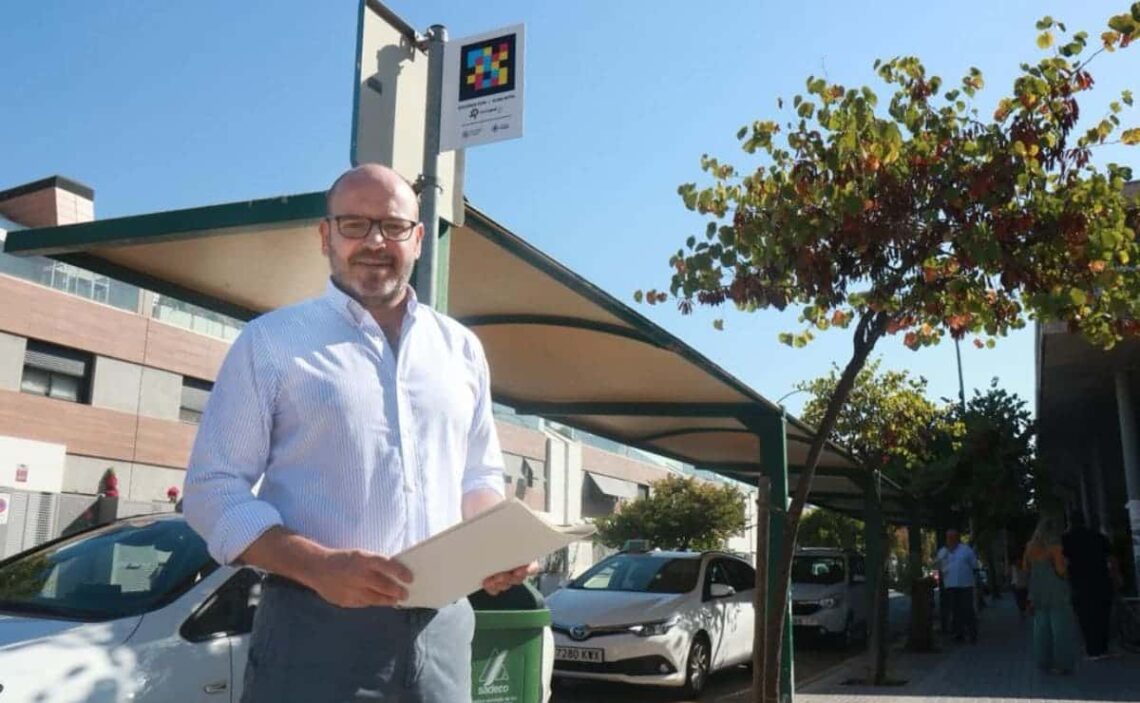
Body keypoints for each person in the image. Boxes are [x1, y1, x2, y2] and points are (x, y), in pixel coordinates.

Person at [183, 164, 535, 703]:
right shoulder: (270, 343)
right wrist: (318, 566)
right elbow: (212, 491)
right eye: (354, 225)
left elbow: (478, 476)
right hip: (314, 635)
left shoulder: (461, 349)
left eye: (393, 226)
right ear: (326, 236)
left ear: (418, 239)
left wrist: (501, 542)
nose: (375, 241)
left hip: (444, 633)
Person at [1022, 516, 1078, 674]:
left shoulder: (1029, 547)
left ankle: (1043, 660)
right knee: (1060, 628)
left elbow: (1025, 568)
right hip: (1056, 590)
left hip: (1037, 590)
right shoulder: (1055, 547)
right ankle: (1062, 664)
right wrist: (1067, 567)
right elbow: (1061, 570)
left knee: (1041, 627)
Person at [1062, 511, 1115, 660]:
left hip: (1080, 584)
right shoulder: (1098, 537)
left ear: (1070, 522)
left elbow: (1064, 563)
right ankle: (1103, 648)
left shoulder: (1066, 540)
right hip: (1102, 581)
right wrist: (1116, 577)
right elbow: (1111, 558)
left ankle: (1092, 649)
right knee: (1102, 616)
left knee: (1086, 617)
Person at [934, 529, 979, 643]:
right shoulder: (942, 552)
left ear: (957, 538)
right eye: (949, 537)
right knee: (955, 610)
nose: (951, 539)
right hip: (950, 585)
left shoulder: (966, 550)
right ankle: (958, 634)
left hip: (966, 585)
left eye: (953, 537)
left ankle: (972, 633)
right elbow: (937, 565)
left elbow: (974, 565)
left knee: (968, 609)